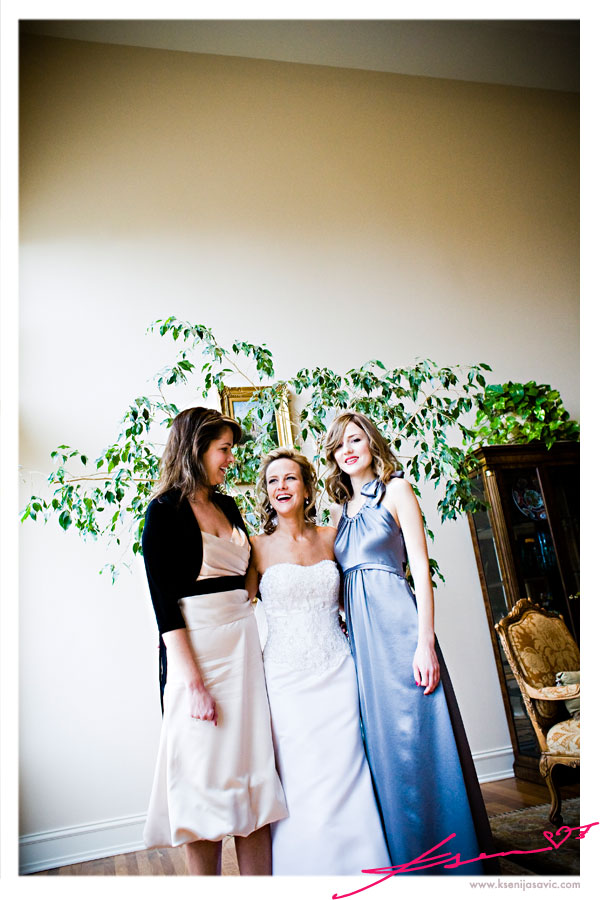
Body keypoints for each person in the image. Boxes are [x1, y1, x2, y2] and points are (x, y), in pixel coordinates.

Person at [325, 412, 496, 876]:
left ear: (371, 443)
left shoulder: (397, 490)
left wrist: (425, 645)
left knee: (423, 737)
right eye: (339, 445)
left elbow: (419, 569)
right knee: (387, 748)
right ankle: (410, 859)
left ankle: (455, 859)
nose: (348, 450)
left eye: (355, 439)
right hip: (364, 645)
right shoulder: (338, 513)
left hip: (401, 630)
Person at [141, 407, 287, 875]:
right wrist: (195, 686)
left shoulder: (228, 506)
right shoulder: (163, 513)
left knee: (253, 783)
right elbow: (165, 610)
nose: (230, 459)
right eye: (224, 449)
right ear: (196, 448)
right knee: (202, 787)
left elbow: (248, 576)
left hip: (243, 654)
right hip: (199, 660)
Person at [246, 447, 391, 876]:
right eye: (273, 481)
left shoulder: (332, 537)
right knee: (301, 773)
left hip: (337, 670)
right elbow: (235, 610)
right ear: (267, 492)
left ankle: (364, 867)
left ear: (307, 488)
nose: (281, 487)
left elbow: (361, 593)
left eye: (290, 478)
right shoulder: (255, 548)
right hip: (285, 678)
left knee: (346, 768)